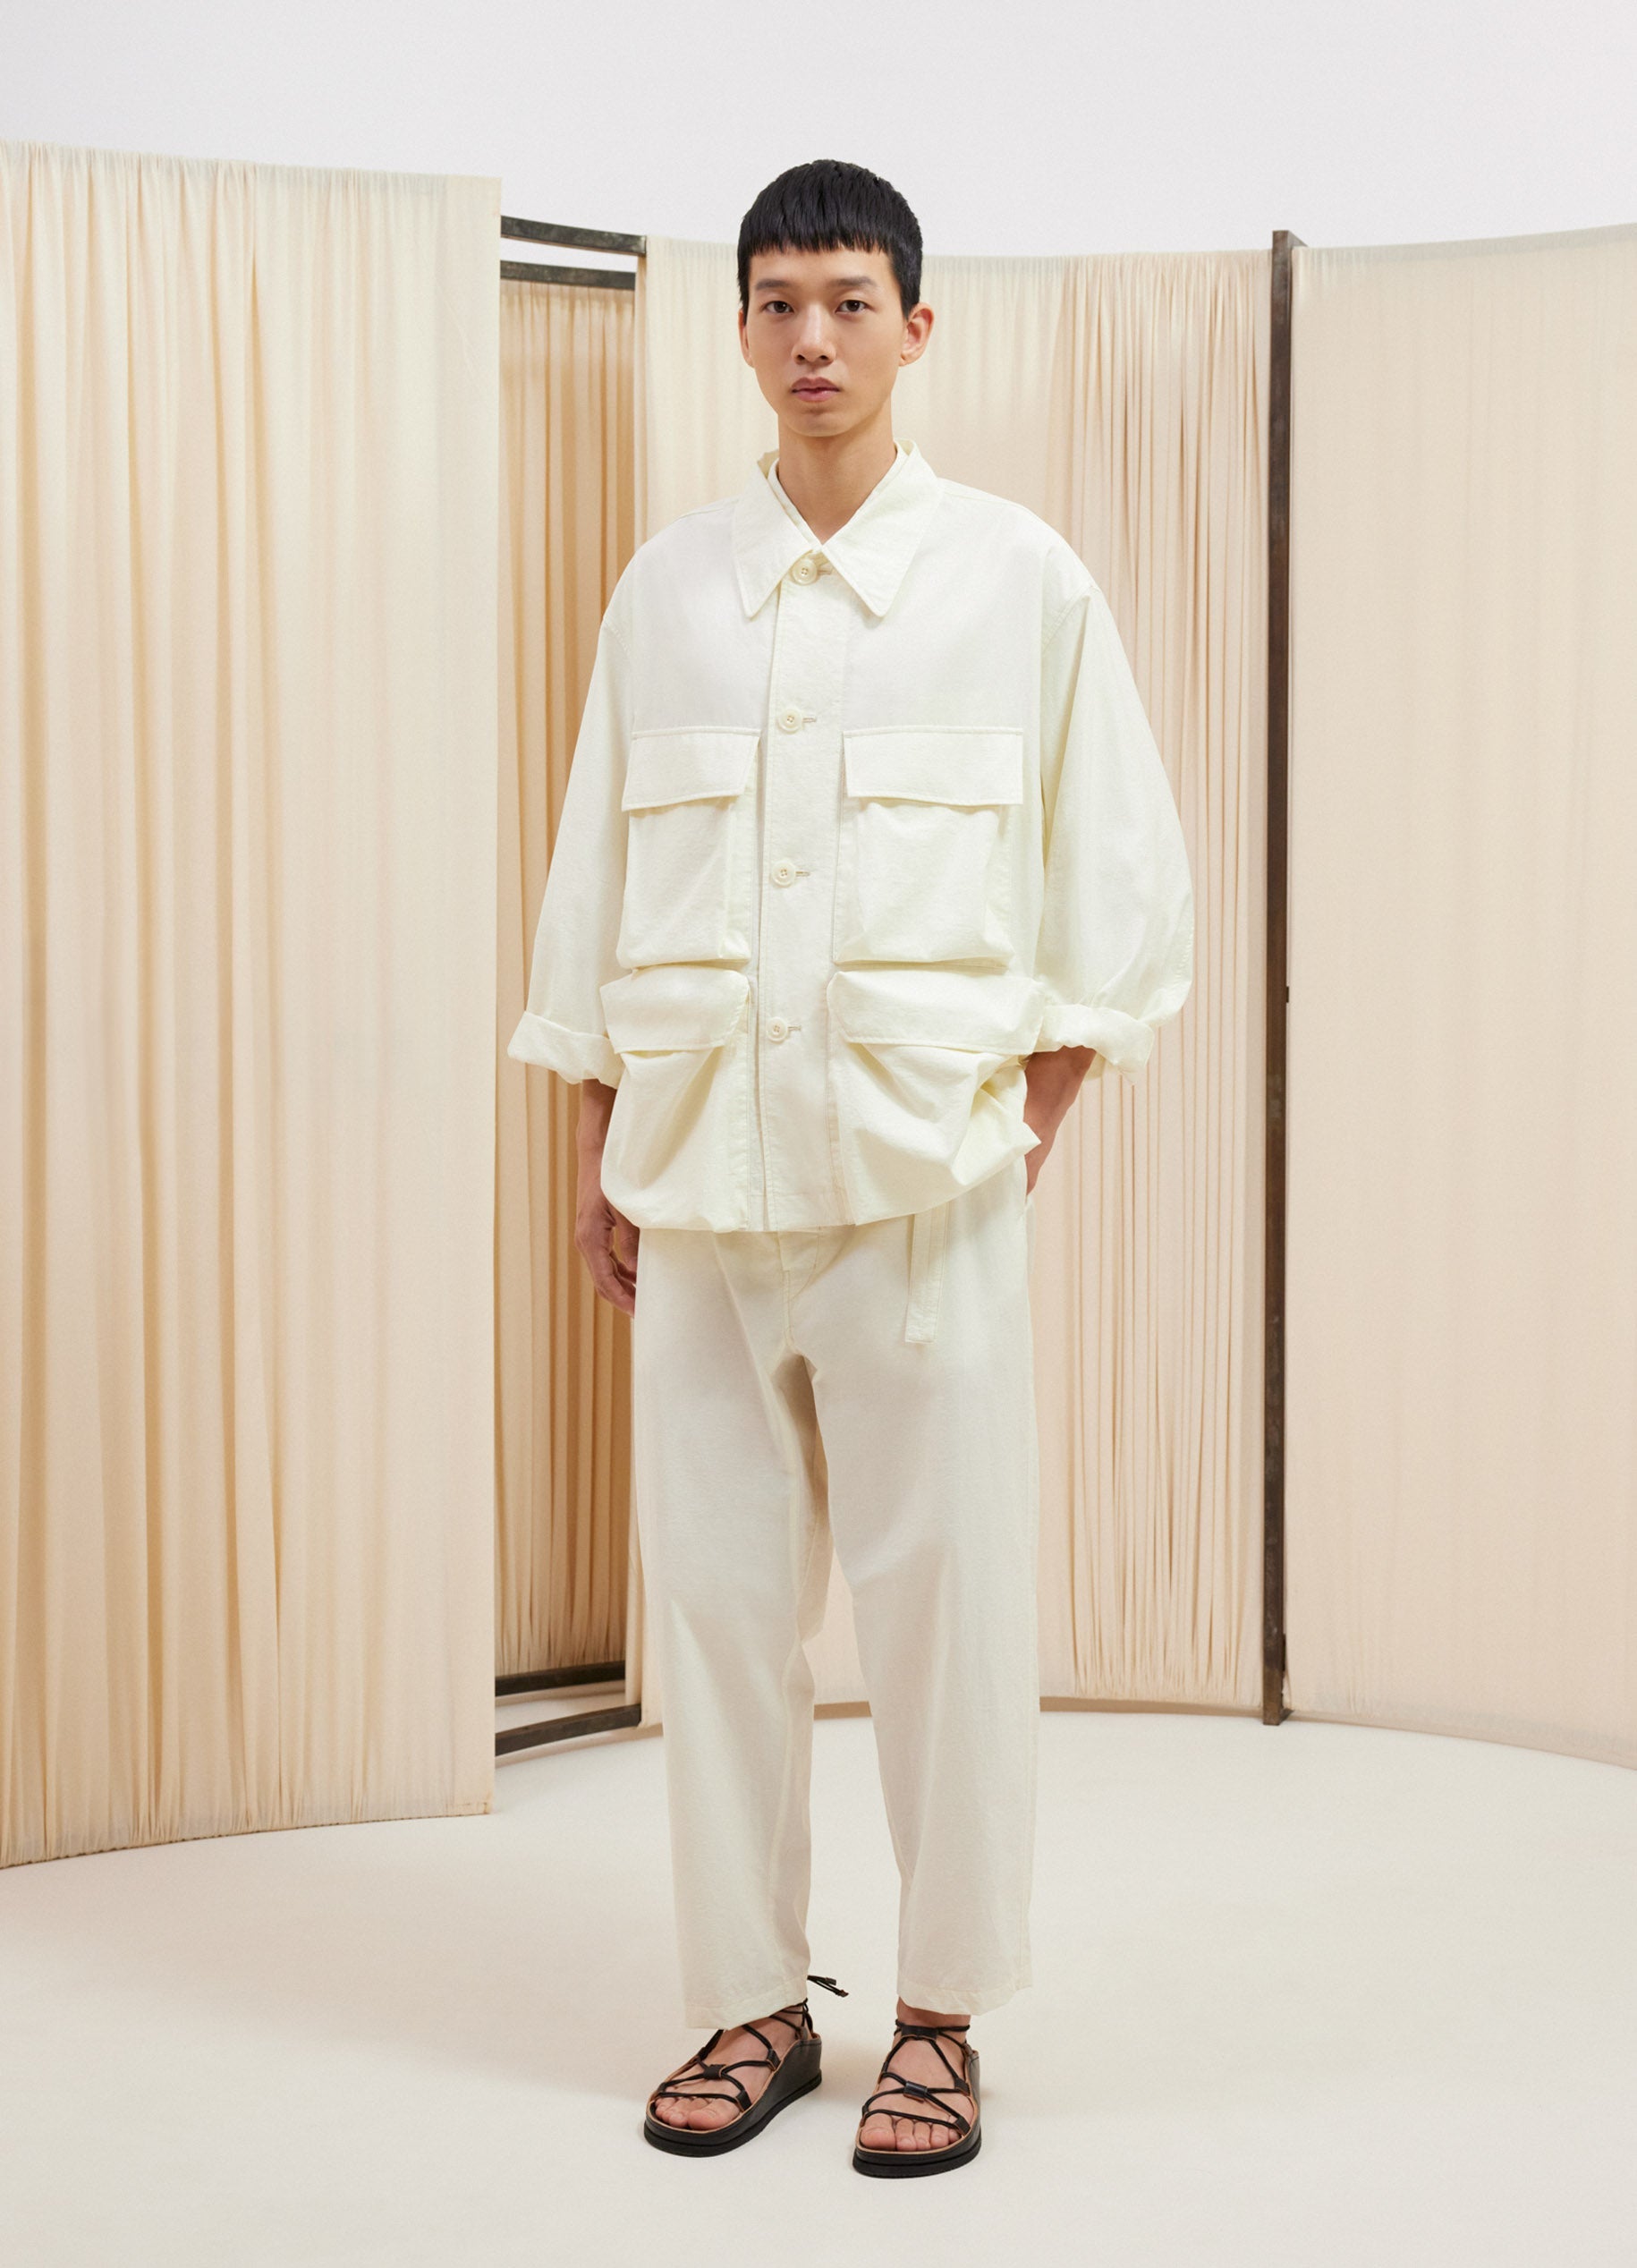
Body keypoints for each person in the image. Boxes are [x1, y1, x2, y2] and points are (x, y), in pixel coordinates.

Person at [507, 157, 1194, 2176]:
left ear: (915, 325)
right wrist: (598, 1139)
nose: (814, 338)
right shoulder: (667, 593)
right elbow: (596, 882)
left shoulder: (1017, 581)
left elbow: (1117, 881)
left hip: (926, 1198)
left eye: (850, 301)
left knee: (943, 1625)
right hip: (701, 1193)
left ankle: (941, 2018)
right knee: (719, 1623)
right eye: (779, 303)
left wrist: (1027, 1119)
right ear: (738, 330)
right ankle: (749, 2000)